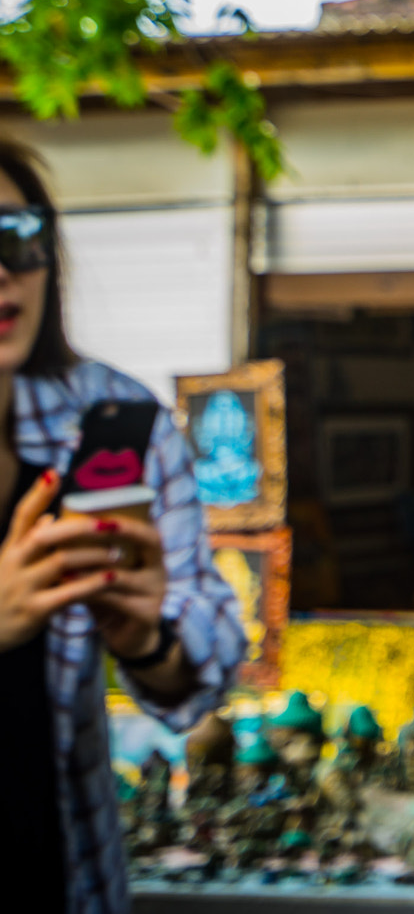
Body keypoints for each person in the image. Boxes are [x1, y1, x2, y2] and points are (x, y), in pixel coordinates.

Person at [0, 137, 246, 913]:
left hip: (68, 878)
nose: (4, 268)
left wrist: (147, 640)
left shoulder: (110, 421)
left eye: (19, 236)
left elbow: (209, 657)